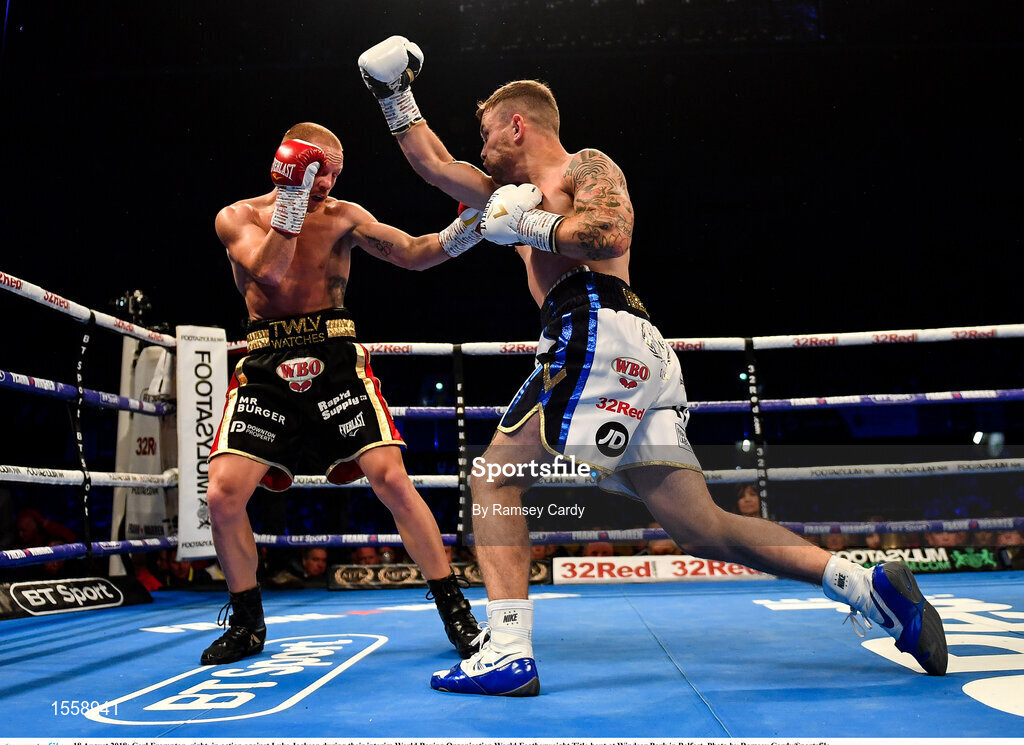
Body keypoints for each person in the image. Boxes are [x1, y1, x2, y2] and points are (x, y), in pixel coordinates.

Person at [357, 36, 949, 694]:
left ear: (516, 124)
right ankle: (864, 585)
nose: (482, 146)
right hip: (627, 348)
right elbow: (432, 181)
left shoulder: (581, 166)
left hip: (593, 327)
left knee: (495, 478)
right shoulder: (504, 194)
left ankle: (508, 649)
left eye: (488, 133)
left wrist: (527, 227)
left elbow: (609, 232)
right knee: (703, 527)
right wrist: (393, 93)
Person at [202, 121, 484, 666]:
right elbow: (272, 275)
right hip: (265, 363)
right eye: (317, 169)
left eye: (332, 171)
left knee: (391, 477)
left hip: (335, 360)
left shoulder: (345, 218)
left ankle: (456, 611)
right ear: (289, 164)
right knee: (222, 494)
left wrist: (473, 227)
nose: (326, 182)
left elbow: (414, 253)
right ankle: (246, 623)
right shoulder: (236, 217)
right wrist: (289, 197)